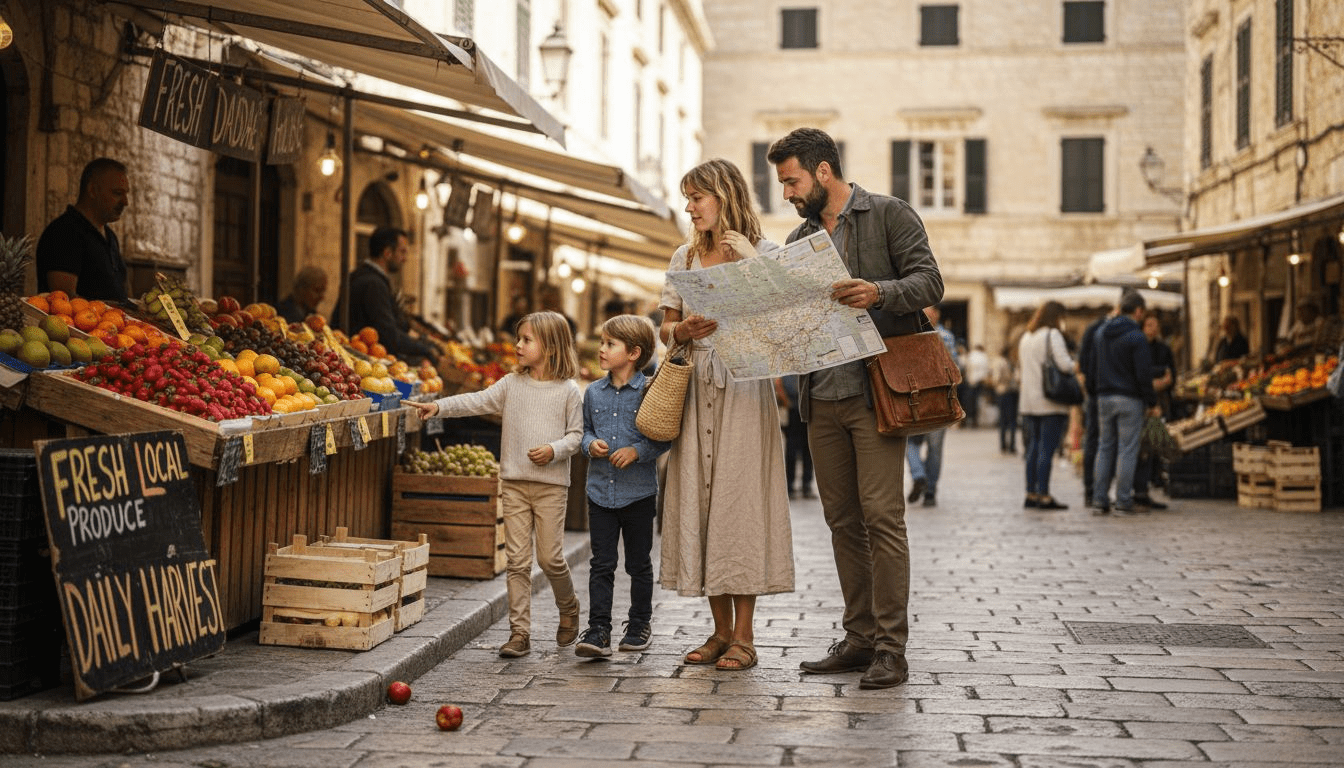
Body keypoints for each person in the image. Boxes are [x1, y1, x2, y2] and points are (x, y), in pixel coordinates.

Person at [768, 127, 942, 689]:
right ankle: (860, 638)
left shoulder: (889, 214)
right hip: (820, 396)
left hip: (876, 395)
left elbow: (930, 282)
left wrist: (879, 292)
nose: (788, 193)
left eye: (792, 180)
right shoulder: (797, 238)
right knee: (842, 522)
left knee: (883, 520)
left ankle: (892, 649)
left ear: (823, 172)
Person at [658, 158, 795, 673]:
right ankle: (718, 632)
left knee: (739, 506)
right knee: (702, 502)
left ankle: (745, 636)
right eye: (688, 198)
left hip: (744, 390)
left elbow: (787, 327)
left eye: (697, 197)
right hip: (694, 387)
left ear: (724, 195)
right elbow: (663, 329)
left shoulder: (765, 253)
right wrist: (682, 332)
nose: (689, 207)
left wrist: (751, 269)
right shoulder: (683, 256)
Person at [406, 311, 582, 657]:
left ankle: (569, 607)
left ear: (550, 347)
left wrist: (554, 449)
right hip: (514, 483)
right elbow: (476, 400)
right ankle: (519, 633)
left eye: (526, 340)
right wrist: (438, 407)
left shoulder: (568, 390)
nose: (517, 345)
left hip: (551, 486)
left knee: (550, 560)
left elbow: (576, 436)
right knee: (517, 562)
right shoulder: (511, 384)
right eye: (519, 338)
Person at [574, 315, 670, 658]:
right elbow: (584, 430)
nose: (601, 349)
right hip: (599, 493)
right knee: (601, 563)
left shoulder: (650, 391)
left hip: (639, 494)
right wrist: (590, 445)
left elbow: (663, 437)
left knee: (638, 563)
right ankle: (598, 629)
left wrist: (637, 451)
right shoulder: (593, 393)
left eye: (609, 344)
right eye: (601, 342)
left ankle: (639, 622)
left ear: (633, 353)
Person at [1090, 290, 1159, 517]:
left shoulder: (1101, 333)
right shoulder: (1137, 337)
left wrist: (1095, 393)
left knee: (1104, 447)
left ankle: (1099, 500)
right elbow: (1143, 374)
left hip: (1104, 397)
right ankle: (1122, 500)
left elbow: (1093, 367)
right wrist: (1151, 402)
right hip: (1129, 399)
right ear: (1138, 311)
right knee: (1127, 450)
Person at [333, 227, 439, 365]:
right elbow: (388, 335)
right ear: (387, 253)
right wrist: (426, 349)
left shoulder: (362, 276)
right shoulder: (373, 284)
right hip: (362, 362)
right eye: (402, 252)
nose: (405, 259)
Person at [36, 158, 131, 303]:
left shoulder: (110, 236)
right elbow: (64, 300)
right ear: (92, 190)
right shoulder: (65, 232)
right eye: (117, 193)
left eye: (126, 194)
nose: (126, 202)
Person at [1017, 300, 1075, 510]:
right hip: (1049, 400)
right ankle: (1044, 495)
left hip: (1028, 401)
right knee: (1046, 449)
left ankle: (1030, 493)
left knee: (1032, 447)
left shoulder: (1026, 336)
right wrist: (1076, 364)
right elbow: (1063, 364)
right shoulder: (1052, 335)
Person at [906, 305, 957, 508]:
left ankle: (924, 482)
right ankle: (927, 486)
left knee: (919, 445)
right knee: (924, 446)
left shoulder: (910, 337)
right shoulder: (946, 337)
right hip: (935, 398)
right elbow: (956, 368)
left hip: (918, 398)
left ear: (936, 314)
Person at [1132, 312, 1175, 510]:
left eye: (1155, 325)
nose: (1153, 328)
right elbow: (1142, 375)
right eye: (1149, 325)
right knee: (1142, 447)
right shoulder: (1138, 347)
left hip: (1158, 402)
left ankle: (1149, 484)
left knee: (1154, 444)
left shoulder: (1164, 349)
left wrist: (1161, 382)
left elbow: (1170, 374)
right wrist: (1156, 381)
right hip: (1143, 402)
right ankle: (1139, 490)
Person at [1077, 307, 1116, 504]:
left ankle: (1091, 491)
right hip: (1109, 392)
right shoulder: (1110, 330)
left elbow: (1082, 363)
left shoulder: (1092, 330)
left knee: (1094, 441)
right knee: (1108, 443)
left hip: (1095, 393)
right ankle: (1101, 491)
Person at [778, 374, 814, 498]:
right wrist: (787, 402)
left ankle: (806, 485)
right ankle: (790, 486)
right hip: (793, 409)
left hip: (806, 408)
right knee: (792, 451)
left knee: (808, 450)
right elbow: (778, 383)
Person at [990, 342, 1019, 454]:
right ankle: (1012, 445)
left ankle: (1003, 445)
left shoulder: (999, 362)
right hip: (1013, 392)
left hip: (1002, 392)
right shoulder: (1011, 362)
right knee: (1012, 420)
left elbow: (996, 378)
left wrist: (994, 383)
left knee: (1003, 420)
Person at [965, 344, 991, 428]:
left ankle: (971, 419)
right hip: (981, 381)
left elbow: (968, 368)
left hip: (972, 381)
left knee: (971, 402)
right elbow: (986, 370)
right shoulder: (984, 356)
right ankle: (978, 420)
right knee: (980, 401)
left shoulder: (971, 355)